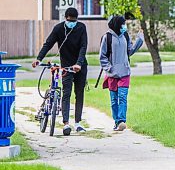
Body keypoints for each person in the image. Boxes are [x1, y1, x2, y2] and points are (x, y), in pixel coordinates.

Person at [32, 7, 88, 136]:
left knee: (79, 93)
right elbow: (48, 44)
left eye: (74, 20)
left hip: (80, 66)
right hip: (66, 67)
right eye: (69, 20)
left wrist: (78, 64)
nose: (71, 22)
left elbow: (83, 47)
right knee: (66, 93)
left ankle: (78, 123)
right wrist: (39, 59)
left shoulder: (81, 28)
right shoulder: (58, 29)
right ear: (65, 18)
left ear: (77, 19)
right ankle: (66, 123)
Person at [99, 15, 144, 131]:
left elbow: (130, 51)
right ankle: (117, 121)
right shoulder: (107, 37)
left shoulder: (125, 35)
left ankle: (122, 121)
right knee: (114, 100)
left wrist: (140, 39)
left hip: (125, 72)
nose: (124, 26)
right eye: (123, 24)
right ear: (117, 25)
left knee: (122, 97)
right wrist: (109, 68)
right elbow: (102, 56)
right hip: (112, 74)